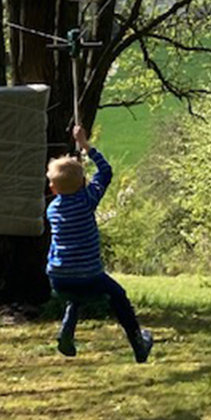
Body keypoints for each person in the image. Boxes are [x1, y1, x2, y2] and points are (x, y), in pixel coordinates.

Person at [45, 125, 153, 363]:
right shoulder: (86, 200)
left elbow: (71, 188)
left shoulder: (52, 209)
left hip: (58, 277)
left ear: (53, 189)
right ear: (84, 183)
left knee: (76, 294)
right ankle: (139, 343)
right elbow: (105, 172)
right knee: (118, 296)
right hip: (89, 275)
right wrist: (85, 145)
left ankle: (67, 333)